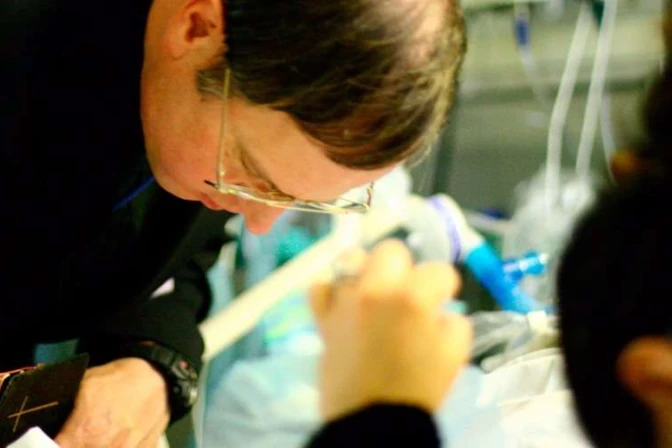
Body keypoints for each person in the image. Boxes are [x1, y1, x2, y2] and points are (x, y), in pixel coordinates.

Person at [0, 0, 465, 446]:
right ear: (196, 28)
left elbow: (179, 254)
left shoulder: (209, 121)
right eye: (250, 172)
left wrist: (150, 360)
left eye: (297, 199)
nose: (259, 222)